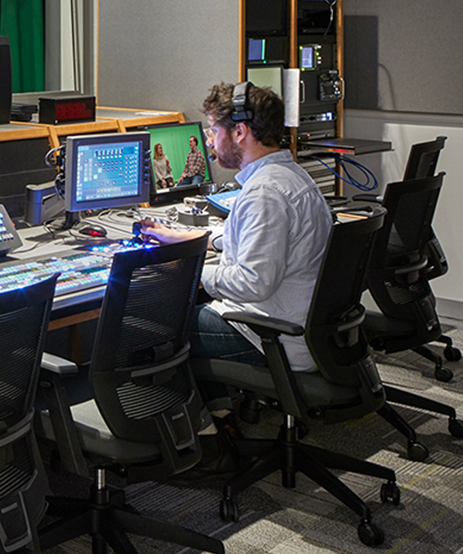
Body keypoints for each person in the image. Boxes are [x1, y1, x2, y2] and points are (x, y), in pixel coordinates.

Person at [139, 83, 332, 424]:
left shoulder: (265, 194)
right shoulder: (288, 176)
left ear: (240, 132)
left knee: (158, 321)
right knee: (188, 305)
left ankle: (193, 434)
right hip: (307, 328)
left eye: (214, 130)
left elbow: (252, 283)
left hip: (273, 336)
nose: (210, 140)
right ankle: (222, 415)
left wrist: (188, 268)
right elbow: (237, 236)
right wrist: (178, 236)